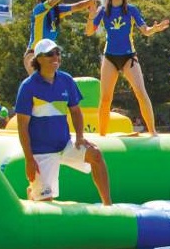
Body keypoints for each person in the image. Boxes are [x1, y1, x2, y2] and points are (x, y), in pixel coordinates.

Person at [15, 39, 112, 205]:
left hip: (65, 145)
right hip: (41, 152)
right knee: (45, 203)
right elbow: (22, 126)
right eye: (50, 54)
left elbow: (75, 111)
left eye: (57, 53)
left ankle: (108, 206)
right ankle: (34, 192)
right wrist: (29, 160)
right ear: (38, 59)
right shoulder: (28, 87)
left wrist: (80, 137)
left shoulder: (66, 80)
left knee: (95, 154)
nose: (56, 57)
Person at [86, 0, 170, 136]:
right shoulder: (103, 11)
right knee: (105, 98)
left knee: (140, 91)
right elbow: (89, 31)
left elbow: (145, 30)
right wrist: (91, 15)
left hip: (129, 57)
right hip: (110, 56)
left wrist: (155, 29)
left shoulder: (131, 10)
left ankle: (153, 132)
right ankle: (102, 135)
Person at [24, 0, 99, 74]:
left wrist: (91, 0)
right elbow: (51, 2)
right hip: (34, 53)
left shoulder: (58, 10)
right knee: (39, 83)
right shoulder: (39, 9)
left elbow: (77, 6)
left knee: (51, 85)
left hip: (50, 55)